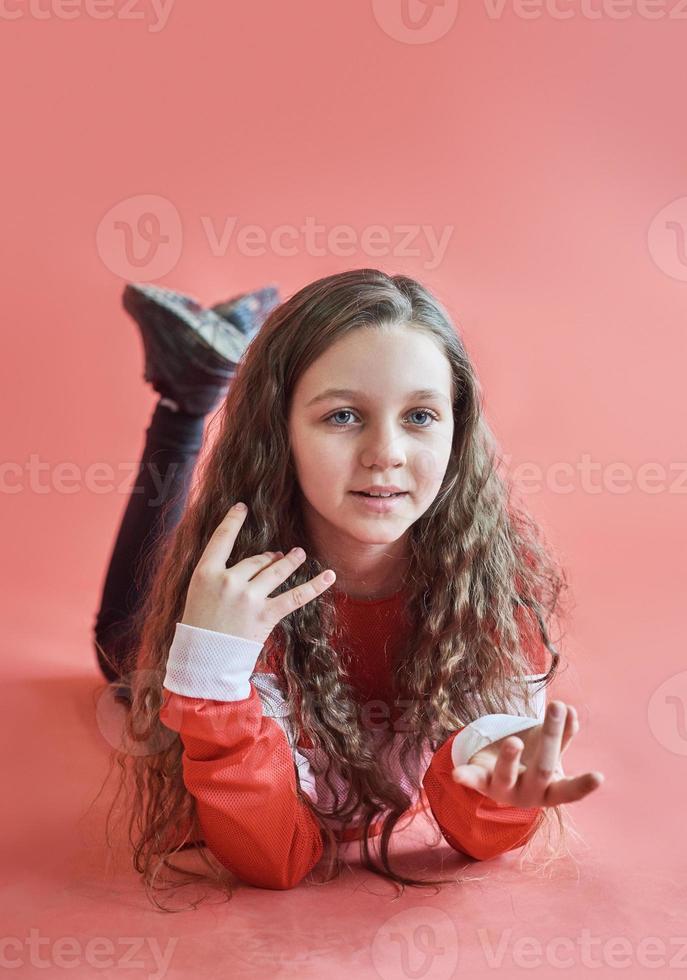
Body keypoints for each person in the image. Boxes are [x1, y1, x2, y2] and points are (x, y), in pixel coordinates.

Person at [97, 268, 604, 904]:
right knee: (119, 635)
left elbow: (482, 831)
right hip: (189, 625)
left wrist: (494, 784)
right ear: (278, 430)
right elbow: (275, 856)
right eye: (343, 415)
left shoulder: (496, 579)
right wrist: (209, 670)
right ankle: (188, 401)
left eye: (420, 414)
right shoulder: (236, 591)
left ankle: (210, 374)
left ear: (458, 428)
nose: (384, 452)